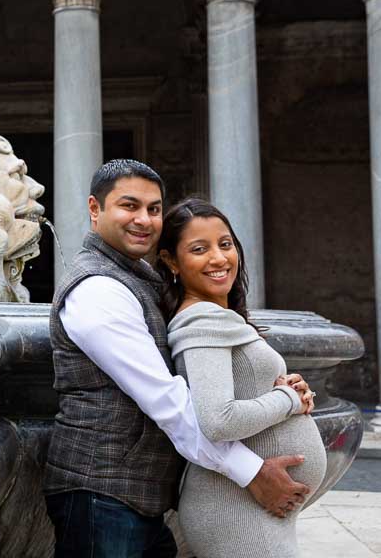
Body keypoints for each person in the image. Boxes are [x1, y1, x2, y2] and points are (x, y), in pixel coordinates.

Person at [42, 159, 310, 557]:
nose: (144, 220)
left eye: (153, 208)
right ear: (95, 209)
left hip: (135, 496)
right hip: (102, 494)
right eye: (129, 206)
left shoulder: (137, 277)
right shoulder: (97, 289)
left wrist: (275, 389)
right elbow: (166, 400)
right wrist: (252, 472)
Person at [157, 198, 326, 558]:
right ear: (172, 261)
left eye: (226, 244)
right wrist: (288, 401)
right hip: (233, 508)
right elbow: (219, 419)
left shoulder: (217, 315)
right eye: (199, 249)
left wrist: (288, 390)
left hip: (249, 507)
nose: (219, 258)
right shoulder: (202, 319)